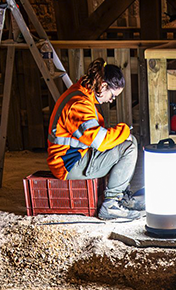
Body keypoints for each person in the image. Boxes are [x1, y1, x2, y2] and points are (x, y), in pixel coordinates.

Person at [47, 59, 140, 221]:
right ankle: (111, 204)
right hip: (70, 165)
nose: (111, 100)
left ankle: (120, 196)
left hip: (75, 157)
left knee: (125, 141)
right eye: (113, 96)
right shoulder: (79, 104)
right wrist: (124, 129)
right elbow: (100, 142)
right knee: (129, 145)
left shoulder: (82, 94)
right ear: (103, 86)